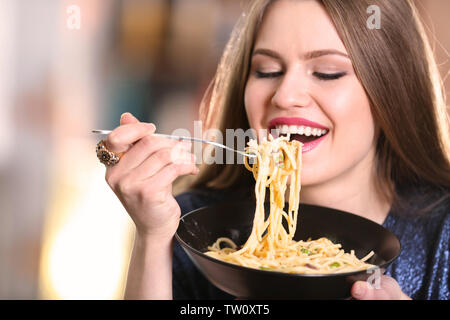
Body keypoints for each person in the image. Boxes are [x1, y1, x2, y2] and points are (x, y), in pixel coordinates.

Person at [97, 0, 449, 300]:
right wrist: (152, 237)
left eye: (327, 72)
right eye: (267, 70)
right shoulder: (190, 226)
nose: (284, 95)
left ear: (392, 91)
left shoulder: (443, 231)